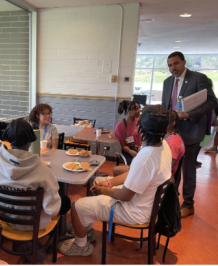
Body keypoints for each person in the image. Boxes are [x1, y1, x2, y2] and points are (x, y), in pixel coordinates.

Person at [58, 108, 171, 257]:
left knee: (77, 205)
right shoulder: (163, 145)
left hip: (135, 211)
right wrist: (109, 183)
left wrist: (103, 190)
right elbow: (133, 174)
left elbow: (125, 195)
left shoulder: (146, 158)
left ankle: (81, 245)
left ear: (142, 128)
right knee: (97, 180)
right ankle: (87, 229)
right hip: (146, 202)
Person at [0, 119, 70, 231]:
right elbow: (51, 209)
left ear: (8, 139)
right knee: (65, 201)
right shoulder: (42, 170)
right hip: (34, 223)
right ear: (30, 141)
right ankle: (54, 235)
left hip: (4, 218)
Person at [161, 51, 218, 218]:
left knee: (187, 169)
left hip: (191, 131)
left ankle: (188, 203)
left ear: (184, 62)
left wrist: (189, 114)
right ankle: (172, 200)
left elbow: (213, 101)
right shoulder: (167, 82)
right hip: (171, 134)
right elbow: (166, 106)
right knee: (171, 168)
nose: (173, 68)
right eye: (170, 65)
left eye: (176, 63)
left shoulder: (199, 78)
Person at [113, 100, 141, 175]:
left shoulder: (140, 122)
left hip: (140, 149)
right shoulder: (120, 126)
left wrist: (140, 147)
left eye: (139, 108)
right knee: (131, 167)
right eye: (136, 109)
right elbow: (123, 146)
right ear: (128, 111)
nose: (139, 111)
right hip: (127, 151)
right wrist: (131, 152)